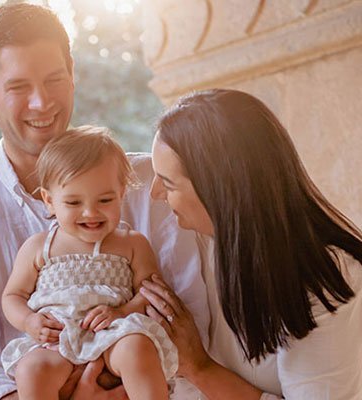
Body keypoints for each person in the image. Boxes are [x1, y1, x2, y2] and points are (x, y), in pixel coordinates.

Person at [0, 3, 209, 400]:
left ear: (73, 75)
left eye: (54, 79)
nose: (41, 103)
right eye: (18, 87)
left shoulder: (151, 185)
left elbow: (191, 323)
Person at [140, 88, 362, 399]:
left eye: (168, 182)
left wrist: (198, 367)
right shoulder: (197, 238)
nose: (155, 194)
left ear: (217, 191)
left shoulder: (327, 277)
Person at [1, 126, 184, 400]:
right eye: (74, 202)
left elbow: (150, 294)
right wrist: (29, 321)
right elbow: (12, 295)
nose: (90, 212)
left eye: (105, 200)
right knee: (31, 370)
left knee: (138, 349)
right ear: (49, 200)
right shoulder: (39, 247)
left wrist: (122, 312)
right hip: (58, 338)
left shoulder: (132, 243)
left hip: (114, 333)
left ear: (122, 192)